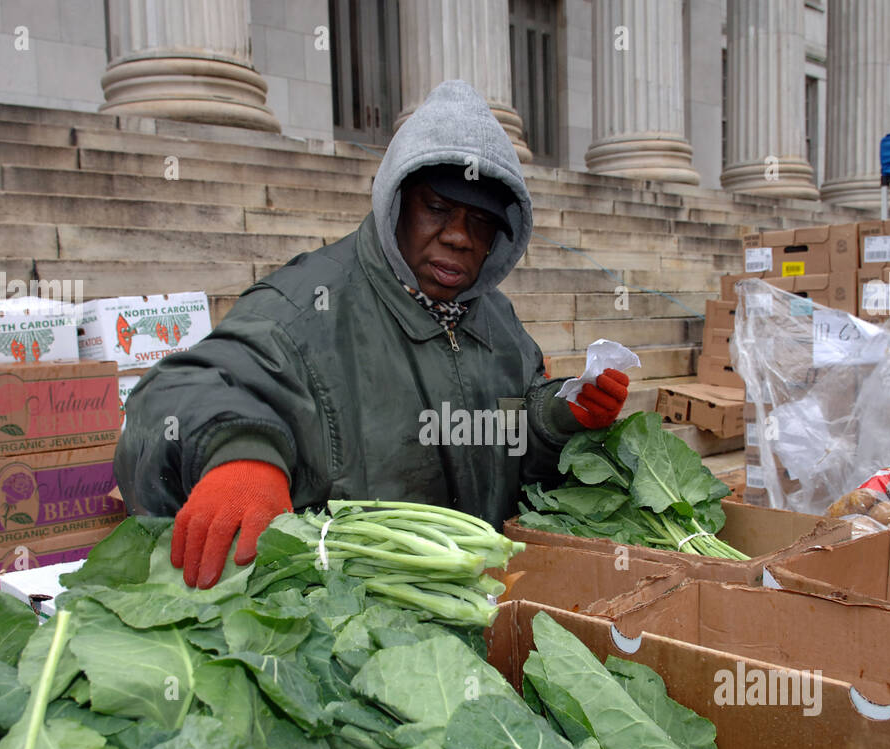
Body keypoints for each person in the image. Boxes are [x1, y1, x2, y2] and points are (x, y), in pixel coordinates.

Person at [115, 80, 629, 588]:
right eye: (438, 209)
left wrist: (555, 416)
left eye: (480, 221)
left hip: (473, 613)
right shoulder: (306, 303)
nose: (458, 236)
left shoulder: (498, 323)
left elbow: (511, 446)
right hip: (344, 633)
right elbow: (165, 404)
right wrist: (238, 453)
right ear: (397, 201)